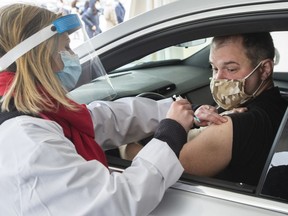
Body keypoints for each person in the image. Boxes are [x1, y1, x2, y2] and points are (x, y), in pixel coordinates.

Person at [0, 3, 194, 215]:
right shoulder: (26, 139)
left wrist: (173, 109)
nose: (72, 57)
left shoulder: (30, 106)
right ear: (38, 57)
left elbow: (102, 119)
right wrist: (170, 134)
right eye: (64, 49)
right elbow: (114, 202)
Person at [180, 32, 288, 186]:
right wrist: (196, 117)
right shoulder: (279, 106)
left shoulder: (236, 124)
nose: (218, 79)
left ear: (265, 69)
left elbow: (159, 172)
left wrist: (172, 123)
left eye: (231, 69)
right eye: (214, 68)